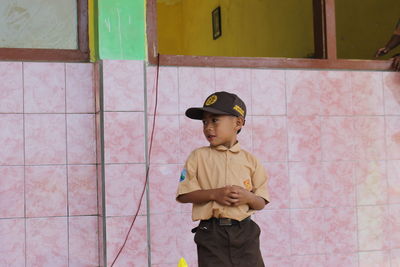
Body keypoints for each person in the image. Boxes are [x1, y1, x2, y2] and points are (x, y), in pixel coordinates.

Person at [176, 91, 270, 267]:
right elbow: (184, 195)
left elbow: (261, 202)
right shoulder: (198, 157)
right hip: (211, 233)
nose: (208, 127)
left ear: (238, 122)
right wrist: (214, 194)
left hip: (245, 232)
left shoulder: (251, 161)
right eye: (205, 122)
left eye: (215, 120)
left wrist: (247, 197)